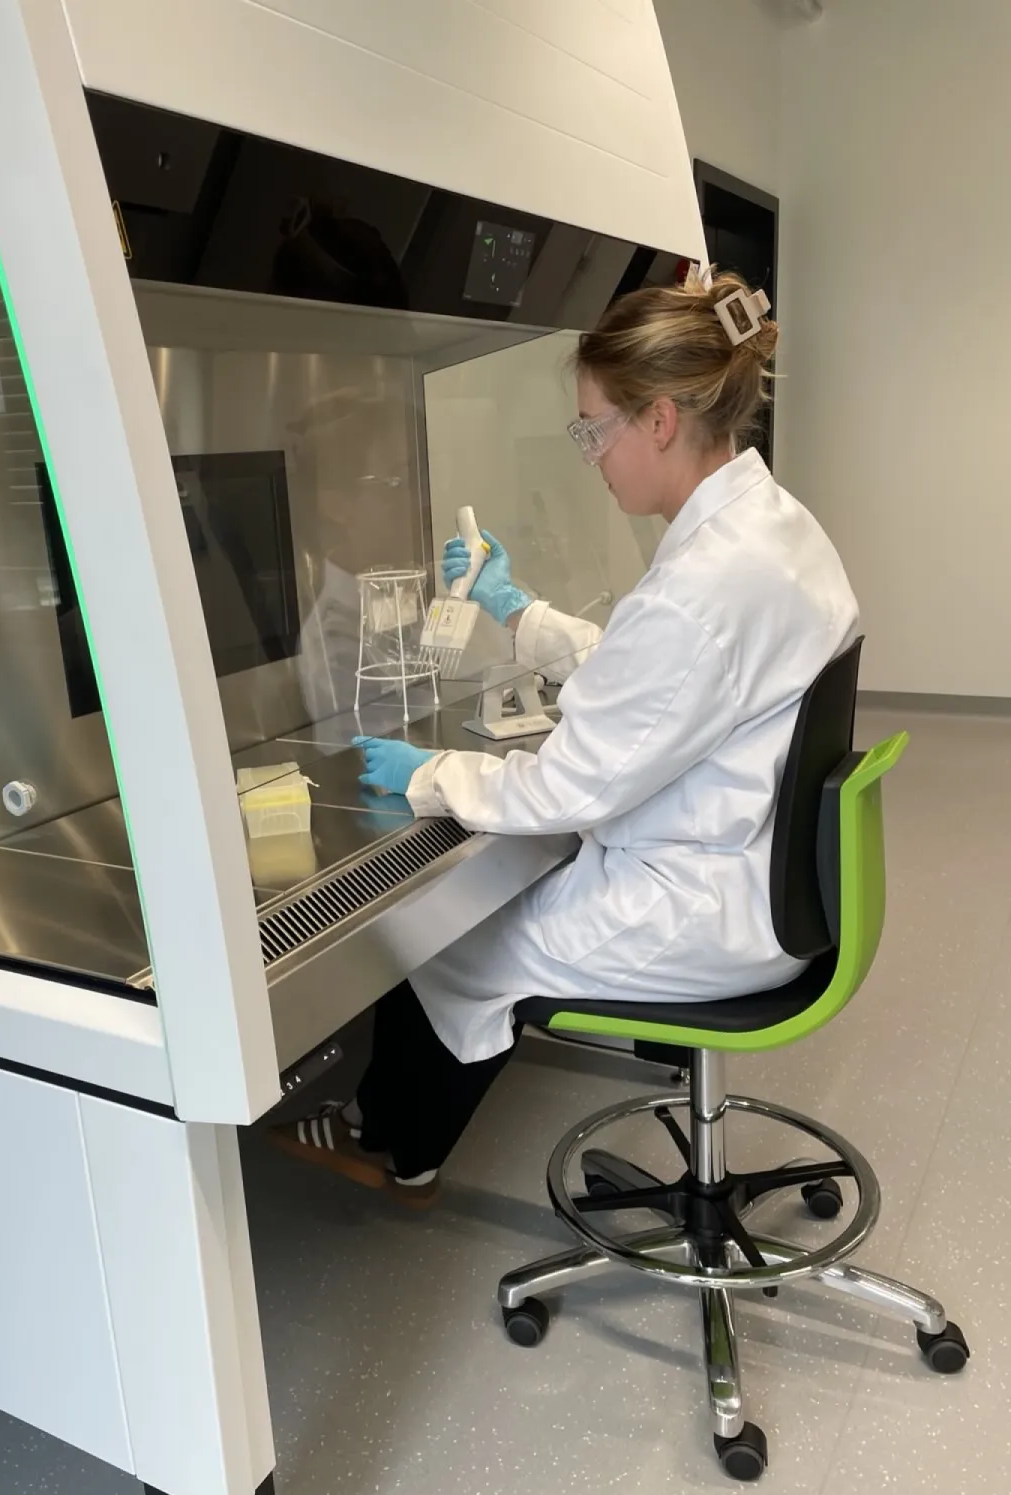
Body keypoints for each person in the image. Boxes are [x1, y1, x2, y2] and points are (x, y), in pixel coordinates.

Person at [272, 270, 859, 1207]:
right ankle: (406, 1119)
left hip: (708, 900)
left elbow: (567, 788)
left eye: (597, 429)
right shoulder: (771, 529)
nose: (593, 455)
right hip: (759, 873)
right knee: (504, 890)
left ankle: (399, 1145)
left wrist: (433, 773)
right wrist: (519, 611)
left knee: (442, 934)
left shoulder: (703, 583)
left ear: (660, 420)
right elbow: (661, 682)